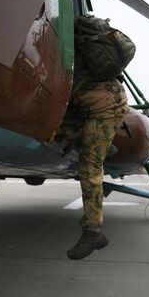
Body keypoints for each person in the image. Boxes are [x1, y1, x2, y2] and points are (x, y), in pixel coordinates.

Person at [56, 66, 129, 260]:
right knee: (60, 135)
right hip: (88, 105)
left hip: (106, 107)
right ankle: (98, 144)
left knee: (90, 168)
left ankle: (93, 232)